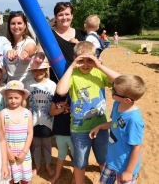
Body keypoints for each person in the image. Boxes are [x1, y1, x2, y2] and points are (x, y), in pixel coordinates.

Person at [56, 41, 120, 184]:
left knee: (104, 160)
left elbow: (121, 81)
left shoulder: (99, 72)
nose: (85, 64)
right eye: (81, 60)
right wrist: (72, 67)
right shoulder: (72, 74)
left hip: (101, 127)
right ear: (75, 59)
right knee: (80, 163)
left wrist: (99, 65)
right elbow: (61, 91)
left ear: (95, 58)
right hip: (79, 129)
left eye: (89, 60)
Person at [89, 75, 145, 184]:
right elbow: (115, 124)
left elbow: (137, 147)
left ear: (127, 100)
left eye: (115, 90)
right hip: (111, 159)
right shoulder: (117, 104)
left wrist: (129, 172)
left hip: (125, 166)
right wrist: (100, 126)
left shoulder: (134, 120)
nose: (111, 90)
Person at [23, 60, 56, 177]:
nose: (38, 72)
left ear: (46, 70)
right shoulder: (28, 84)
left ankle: (48, 165)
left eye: (41, 69)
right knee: (35, 144)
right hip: (33, 120)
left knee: (47, 143)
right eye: (35, 70)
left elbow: (55, 103)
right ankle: (37, 166)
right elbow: (25, 101)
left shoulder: (52, 84)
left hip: (47, 121)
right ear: (31, 71)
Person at [0, 80, 33, 184]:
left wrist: (24, 153)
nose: (13, 101)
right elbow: (2, 135)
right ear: (6, 98)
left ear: (22, 97)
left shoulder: (28, 113)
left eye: (16, 98)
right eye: (10, 98)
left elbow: (30, 133)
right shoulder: (3, 113)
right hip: (9, 153)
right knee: (10, 178)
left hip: (24, 153)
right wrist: (8, 153)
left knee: (25, 179)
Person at [50, 2, 86, 82]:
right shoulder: (50, 36)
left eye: (67, 14)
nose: (64, 17)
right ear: (55, 17)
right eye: (60, 15)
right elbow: (41, 50)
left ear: (72, 16)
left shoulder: (82, 34)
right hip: (59, 80)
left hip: (81, 80)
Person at [5, 11, 37, 83]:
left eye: (19, 23)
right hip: (12, 87)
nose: (16, 27)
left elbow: (31, 47)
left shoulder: (28, 41)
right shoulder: (6, 43)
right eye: (13, 23)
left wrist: (26, 51)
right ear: (9, 26)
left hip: (28, 86)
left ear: (25, 25)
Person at [48, 93, 73, 184]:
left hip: (73, 133)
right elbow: (51, 112)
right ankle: (57, 174)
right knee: (61, 153)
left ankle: (75, 176)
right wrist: (62, 108)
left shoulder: (75, 94)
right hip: (60, 132)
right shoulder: (57, 96)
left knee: (75, 156)